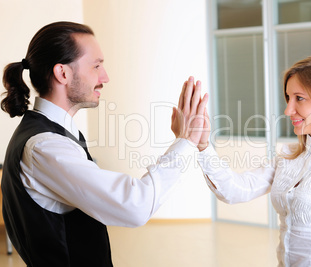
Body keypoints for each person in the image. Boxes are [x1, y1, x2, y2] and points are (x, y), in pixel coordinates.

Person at [1, 21, 208, 266]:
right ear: (62, 73)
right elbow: (135, 206)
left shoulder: (46, 134)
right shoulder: (45, 147)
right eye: (96, 65)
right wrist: (185, 142)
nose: (105, 77)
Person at [174, 52, 311, 266]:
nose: (288, 109)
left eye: (299, 98)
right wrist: (202, 145)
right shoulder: (288, 156)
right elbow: (235, 190)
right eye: (288, 98)